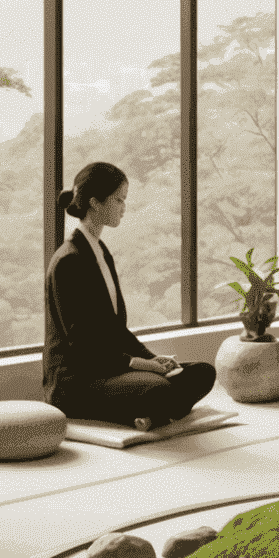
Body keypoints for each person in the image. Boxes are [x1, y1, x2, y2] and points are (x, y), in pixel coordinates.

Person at [44, 161, 216, 430]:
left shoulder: (100, 252)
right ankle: (156, 413)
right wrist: (140, 365)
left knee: (202, 373)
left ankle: (154, 416)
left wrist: (153, 359)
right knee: (158, 388)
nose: (124, 208)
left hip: (111, 368)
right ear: (95, 203)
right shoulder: (69, 261)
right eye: (118, 200)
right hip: (79, 379)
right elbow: (82, 345)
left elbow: (116, 330)